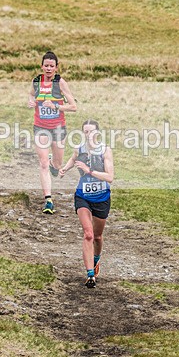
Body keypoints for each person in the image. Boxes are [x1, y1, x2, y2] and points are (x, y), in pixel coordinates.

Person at [59, 119, 114, 288]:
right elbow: (73, 158)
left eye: (91, 131)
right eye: (85, 132)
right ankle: (90, 274)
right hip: (83, 196)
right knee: (88, 234)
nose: (88, 135)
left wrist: (89, 170)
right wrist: (64, 169)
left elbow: (110, 177)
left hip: (102, 197)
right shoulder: (79, 149)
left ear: (97, 133)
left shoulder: (105, 150)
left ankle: (96, 261)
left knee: (97, 236)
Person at [27, 51, 77, 214]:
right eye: (46, 65)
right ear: (42, 66)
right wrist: (30, 101)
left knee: (56, 165)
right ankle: (48, 200)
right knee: (42, 164)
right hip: (40, 127)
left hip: (57, 128)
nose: (48, 68)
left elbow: (73, 106)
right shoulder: (36, 81)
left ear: (56, 67)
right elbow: (31, 95)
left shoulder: (60, 83)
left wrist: (56, 106)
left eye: (51, 66)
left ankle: (53, 164)